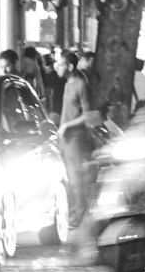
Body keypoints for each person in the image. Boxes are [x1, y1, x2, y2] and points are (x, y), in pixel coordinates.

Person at [56, 49, 100, 246]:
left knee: (76, 179)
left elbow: (87, 114)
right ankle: (74, 212)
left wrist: (67, 125)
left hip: (75, 138)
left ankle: (78, 213)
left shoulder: (81, 85)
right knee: (69, 177)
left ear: (70, 66)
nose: (58, 67)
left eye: (61, 64)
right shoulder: (67, 84)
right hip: (65, 139)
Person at [40, 51, 65, 121]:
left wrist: (51, 111)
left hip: (53, 113)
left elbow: (50, 94)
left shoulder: (49, 77)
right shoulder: (56, 76)